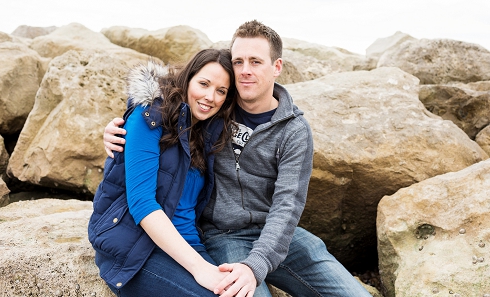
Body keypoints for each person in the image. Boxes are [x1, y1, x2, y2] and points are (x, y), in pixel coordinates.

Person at [104, 20, 371, 296]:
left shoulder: (293, 130)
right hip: (225, 235)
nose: (245, 71)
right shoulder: (216, 110)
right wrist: (119, 130)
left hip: (277, 235)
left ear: (276, 67)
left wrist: (256, 265)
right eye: (239, 61)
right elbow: (164, 118)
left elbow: (287, 206)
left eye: (255, 62)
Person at [89, 49, 257, 296]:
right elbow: (142, 202)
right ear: (187, 78)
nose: (210, 96)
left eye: (221, 91)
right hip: (138, 247)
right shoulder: (149, 116)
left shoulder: (210, 129)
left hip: (190, 244)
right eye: (203, 83)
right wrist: (200, 268)